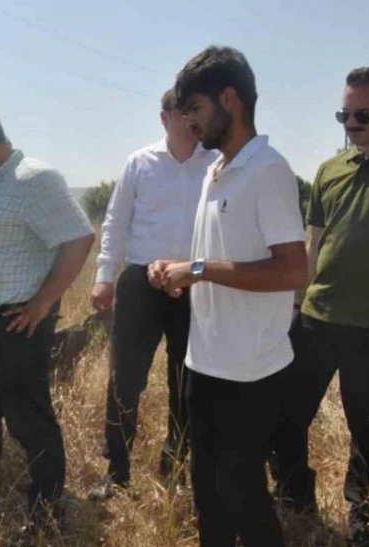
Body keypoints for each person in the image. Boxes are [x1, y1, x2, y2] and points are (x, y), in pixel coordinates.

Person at [153, 46, 307, 547]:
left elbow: (294, 271)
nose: (187, 120)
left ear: (230, 100)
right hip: (206, 358)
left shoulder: (268, 170)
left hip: (251, 367)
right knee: (206, 484)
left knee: (242, 488)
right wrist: (179, 270)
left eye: (194, 108)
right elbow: (218, 260)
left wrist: (195, 270)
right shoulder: (216, 171)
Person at [0, 106, 94, 524]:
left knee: (28, 423)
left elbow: (79, 237)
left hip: (13, 325)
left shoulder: (34, 178)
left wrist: (44, 303)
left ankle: (45, 512)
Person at [270, 66, 369, 547]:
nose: (351, 123)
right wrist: (295, 304)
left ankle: (362, 515)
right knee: (284, 412)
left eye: (363, 114)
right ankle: (295, 497)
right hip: (318, 318)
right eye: (344, 113)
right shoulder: (330, 170)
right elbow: (313, 243)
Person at [88, 90, 219, 501]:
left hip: (194, 283)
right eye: (186, 112)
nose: (194, 120)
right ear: (165, 118)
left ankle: (176, 466)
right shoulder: (140, 163)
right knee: (125, 378)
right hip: (141, 283)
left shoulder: (216, 164)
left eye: (198, 111)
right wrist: (105, 276)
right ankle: (118, 471)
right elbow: (116, 221)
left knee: (186, 380)